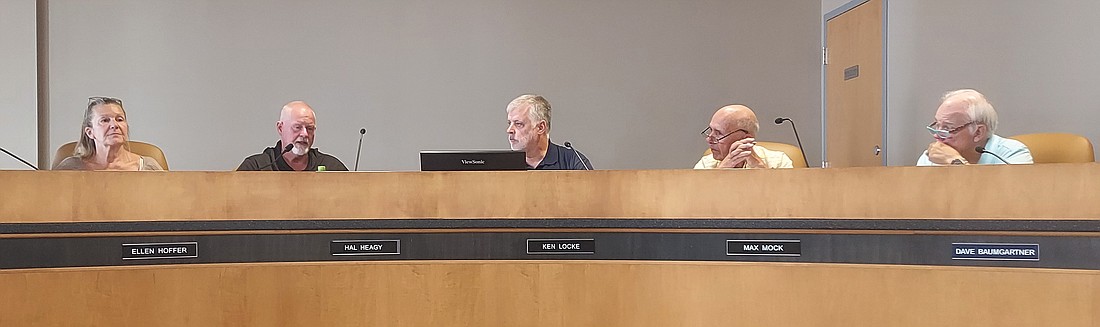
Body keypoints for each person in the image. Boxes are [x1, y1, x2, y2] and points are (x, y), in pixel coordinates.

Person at [917, 89, 1032, 165]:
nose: (937, 136)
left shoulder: (1012, 154)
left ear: (978, 132)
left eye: (947, 129)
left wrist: (955, 162)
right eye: (937, 125)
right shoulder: (930, 158)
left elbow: (1010, 198)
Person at [54, 96, 164, 171]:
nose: (114, 125)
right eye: (105, 120)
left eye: (119, 119)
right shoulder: (70, 168)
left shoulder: (148, 167)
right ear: (90, 132)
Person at [238, 101, 348, 171]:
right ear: (280, 128)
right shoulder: (257, 168)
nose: (304, 134)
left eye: (309, 128)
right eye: (297, 127)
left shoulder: (332, 167)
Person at [505, 94, 593, 170]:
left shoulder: (572, 161)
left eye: (518, 124)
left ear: (540, 127)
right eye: (509, 123)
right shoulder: (504, 165)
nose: (509, 130)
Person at [694, 104, 793, 169]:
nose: (709, 139)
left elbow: (791, 198)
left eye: (719, 133)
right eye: (711, 130)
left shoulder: (779, 162)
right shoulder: (706, 165)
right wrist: (722, 170)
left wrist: (761, 170)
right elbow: (695, 199)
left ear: (745, 139)